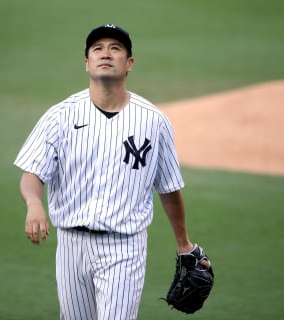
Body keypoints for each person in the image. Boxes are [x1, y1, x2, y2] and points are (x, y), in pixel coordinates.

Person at [14, 24, 204, 320]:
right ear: (87, 63)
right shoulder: (60, 116)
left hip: (124, 247)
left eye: (115, 48)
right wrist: (34, 203)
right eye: (97, 48)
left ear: (129, 64)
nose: (106, 53)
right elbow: (32, 174)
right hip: (71, 247)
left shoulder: (153, 121)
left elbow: (168, 187)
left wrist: (183, 244)